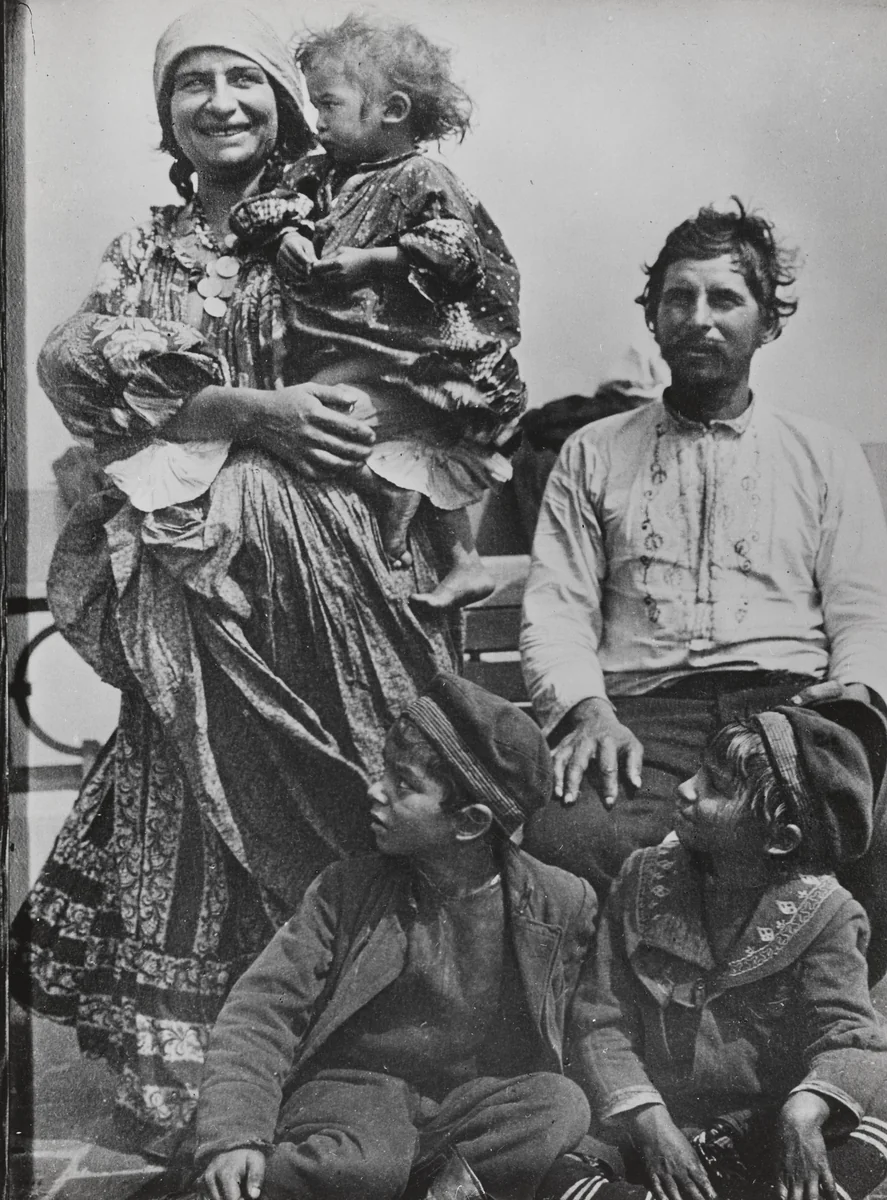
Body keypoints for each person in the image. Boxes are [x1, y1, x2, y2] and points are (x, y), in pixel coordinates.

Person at [10, 6, 459, 1153]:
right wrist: (248, 410)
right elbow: (81, 372)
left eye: (243, 79)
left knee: (343, 789)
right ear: (167, 115)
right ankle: (200, 1085)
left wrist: (310, 423)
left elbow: (424, 369)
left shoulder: (343, 217)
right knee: (190, 800)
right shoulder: (144, 253)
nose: (220, 102)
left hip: (324, 577)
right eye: (192, 83)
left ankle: (353, 1065)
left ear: (285, 101)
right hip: (185, 580)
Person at [519, 198, 887, 984]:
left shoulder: (823, 455)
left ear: (767, 322)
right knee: (568, 836)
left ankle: (825, 1040)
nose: (699, 318)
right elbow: (557, 610)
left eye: (725, 298)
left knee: (866, 841)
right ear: (654, 317)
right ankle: (632, 1038)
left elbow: (867, 612)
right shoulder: (593, 453)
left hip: (788, 712)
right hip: (643, 718)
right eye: (679, 298)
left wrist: (852, 708)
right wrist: (587, 709)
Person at [194, 673, 597, 1200]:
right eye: (383, 769)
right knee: (365, 1167)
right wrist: (236, 1134)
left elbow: (588, 1024)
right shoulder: (346, 890)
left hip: (463, 1104)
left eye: (402, 784)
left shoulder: (559, 902)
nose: (375, 789)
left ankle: (443, 1192)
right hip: (353, 1096)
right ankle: (241, 1187)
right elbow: (262, 1009)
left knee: (560, 1104)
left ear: (471, 823)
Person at [542, 700, 887, 1200]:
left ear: (780, 839)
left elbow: (851, 1037)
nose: (686, 787)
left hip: (767, 1123)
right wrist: (652, 1125)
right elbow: (600, 1019)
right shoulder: (641, 878)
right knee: (558, 1171)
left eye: (715, 786)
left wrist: (803, 1112)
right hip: (660, 1117)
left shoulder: (827, 915)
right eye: (699, 771)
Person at [229, 13, 527, 611]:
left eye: (329, 104)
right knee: (317, 412)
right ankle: (459, 558)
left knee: (322, 408)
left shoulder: (422, 177)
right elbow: (257, 211)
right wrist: (287, 234)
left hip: (416, 352)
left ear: (391, 109)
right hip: (357, 343)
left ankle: (406, 510)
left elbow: (458, 254)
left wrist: (375, 261)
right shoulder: (319, 174)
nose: (317, 121)